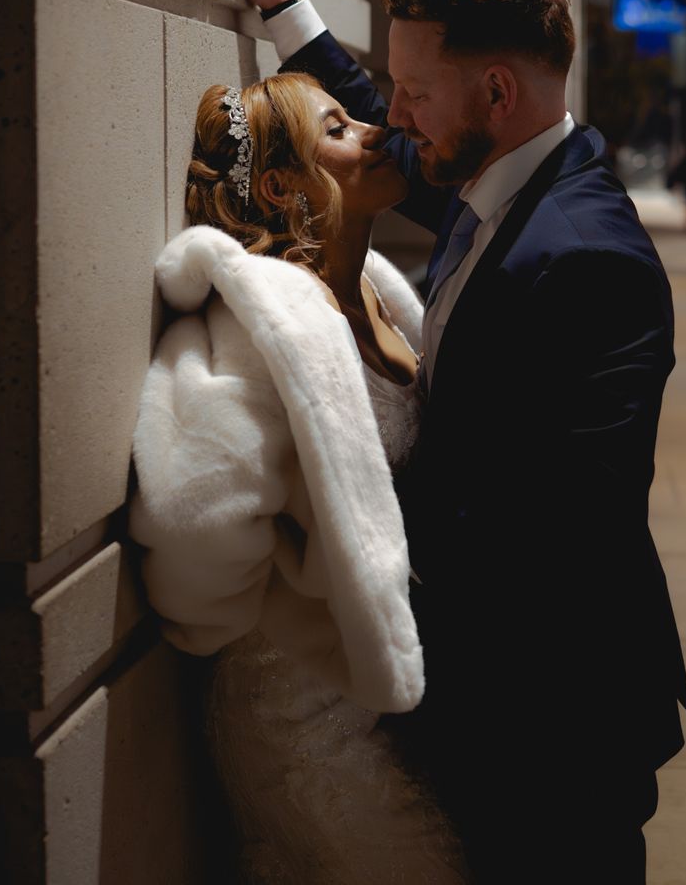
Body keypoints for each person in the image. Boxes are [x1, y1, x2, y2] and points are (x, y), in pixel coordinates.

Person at [231, 0, 686, 880]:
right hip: (492, 693)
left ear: (496, 92)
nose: (395, 111)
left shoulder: (586, 258)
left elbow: (566, 522)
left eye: (416, 90)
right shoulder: (495, 181)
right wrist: (283, 6)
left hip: (556, 712)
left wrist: (348, 515)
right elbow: (371, 134)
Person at [128, 73, 469, 883]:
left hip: (393, 688)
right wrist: (295, 606)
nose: (377, 130)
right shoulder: (268, 330)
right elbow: (191, 521)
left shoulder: (373, 290)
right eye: (340, 129)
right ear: (284, 185)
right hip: (299, 714)